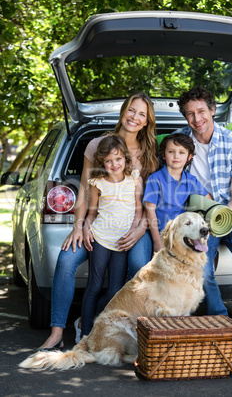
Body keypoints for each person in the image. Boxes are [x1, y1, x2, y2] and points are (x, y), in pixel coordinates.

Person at [39, 92, 158, 350]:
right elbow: (85, 187)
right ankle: (57, 332)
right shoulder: (97, 144)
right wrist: (78, 226)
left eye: (142, 114)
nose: (135, 117)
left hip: (135, 225)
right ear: (123, 110)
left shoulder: (148, 153)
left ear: (147, 122)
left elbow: (149, 200)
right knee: (66, 258)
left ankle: (119, 330)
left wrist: (140, 230)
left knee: (138, 263)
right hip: (100, 225)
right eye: (132, 110)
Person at [177, 85, 232, 361]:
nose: (197, 119)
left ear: (213, 111)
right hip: (199, 220)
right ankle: (220, 321)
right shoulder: (180, 143)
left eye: (201, 111)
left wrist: (223, 219)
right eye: (190, 114)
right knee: (201, 269)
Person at [80, 135, 143, 336]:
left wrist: (134, 230)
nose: (114, 164)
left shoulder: (134, 179)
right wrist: (85, 229)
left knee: (115, 289)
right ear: (102, 162)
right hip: (99, 239)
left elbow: (139, 211)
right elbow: (91, 213)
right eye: (108, 160)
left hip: (122, 243)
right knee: (95, 285)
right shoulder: (97, 183)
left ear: (125, 158)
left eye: (118, 159)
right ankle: (86, 333)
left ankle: (91, 322)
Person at [143, 133, 211, 252]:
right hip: (155, 232)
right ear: (163, 155)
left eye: (181, 152)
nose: (176, 156)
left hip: (180, 234)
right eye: (171, 152)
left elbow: (209, 201)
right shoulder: (155, 179)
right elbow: (150, 210)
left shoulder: (191, 180)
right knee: (137, 262)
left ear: (189, 157)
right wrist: (157, 242)